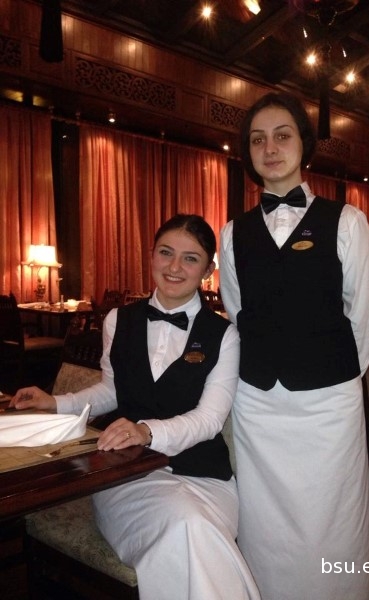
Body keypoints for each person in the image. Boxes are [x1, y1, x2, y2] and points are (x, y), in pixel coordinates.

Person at [11, 214, 261, 600]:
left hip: (205, 477)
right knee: (190, 527)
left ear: (208, 270)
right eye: (166, 252)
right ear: (152, 256)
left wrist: (146, 431)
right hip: (127, 475)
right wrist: (55, 402)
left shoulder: (224, 335)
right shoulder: (118, 320)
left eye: (190, 258)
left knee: (191, 524)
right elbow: (111, 391)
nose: (174, 267)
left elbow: (210, 419)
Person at [219, 92, 369, 600]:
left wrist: (332, 374)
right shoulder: (232, 233)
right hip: (258, 404)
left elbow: (362, 319)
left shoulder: (347, 222)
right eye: (257, 140)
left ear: (303, 145)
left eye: (282, 135)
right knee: (264, 523)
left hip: (328, 404)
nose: (270, 148)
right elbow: (239, 314)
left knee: (334, 517)